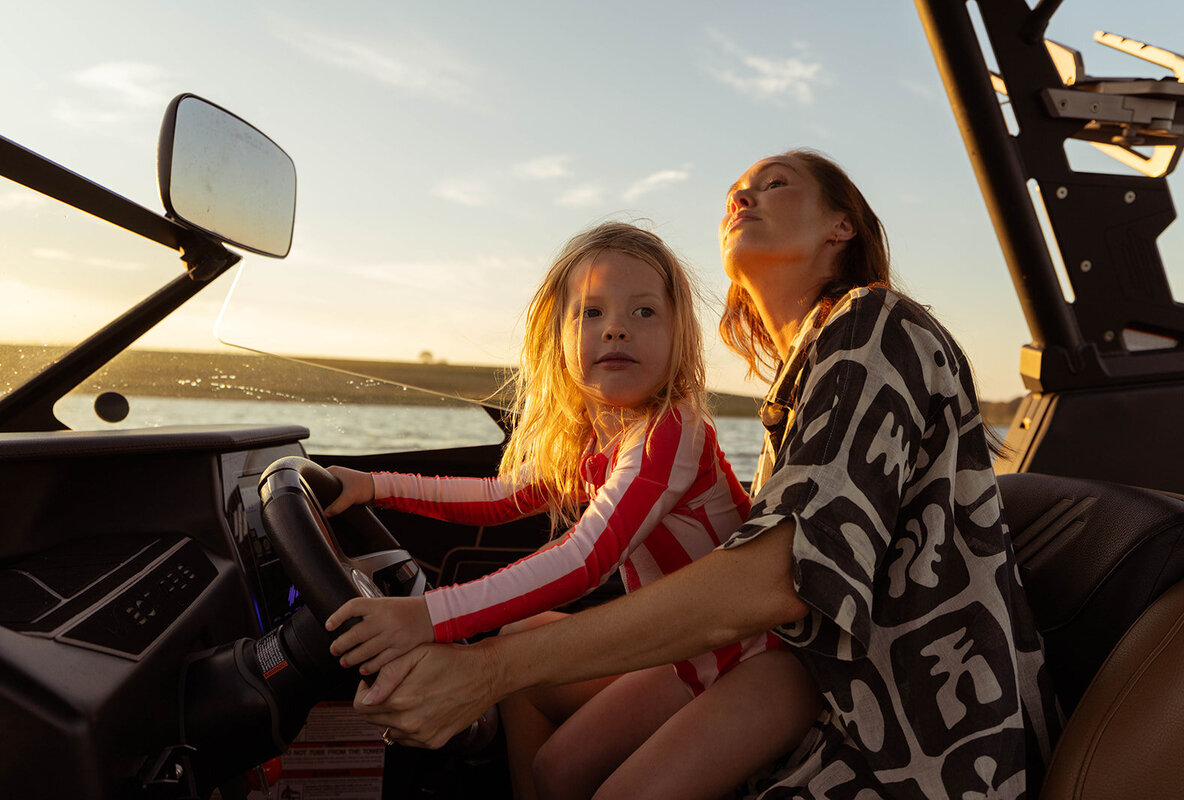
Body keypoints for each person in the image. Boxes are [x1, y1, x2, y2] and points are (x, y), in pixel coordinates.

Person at [345, 151, 1063, 799]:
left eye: (773, 185)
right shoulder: (804, 380)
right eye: (733, 194)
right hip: (784, 668)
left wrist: (473, 655)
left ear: (842, 225)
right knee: (556, 752)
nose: (742, 198)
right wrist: (371, 485)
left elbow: (779, 580)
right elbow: (514, 494)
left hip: (907, 726)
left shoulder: (874, 323)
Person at [322, 221, 819, 799]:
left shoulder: (673, 429)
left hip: (767, 660)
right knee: (555, 770)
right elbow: (498, 499)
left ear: (678, 335)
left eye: (643, 313)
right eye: (590, 313)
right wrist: (372, 485)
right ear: (557, 338)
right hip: (689, 654)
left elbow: (587, 557)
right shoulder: (594, 440)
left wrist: (429, 615)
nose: (615, 329)